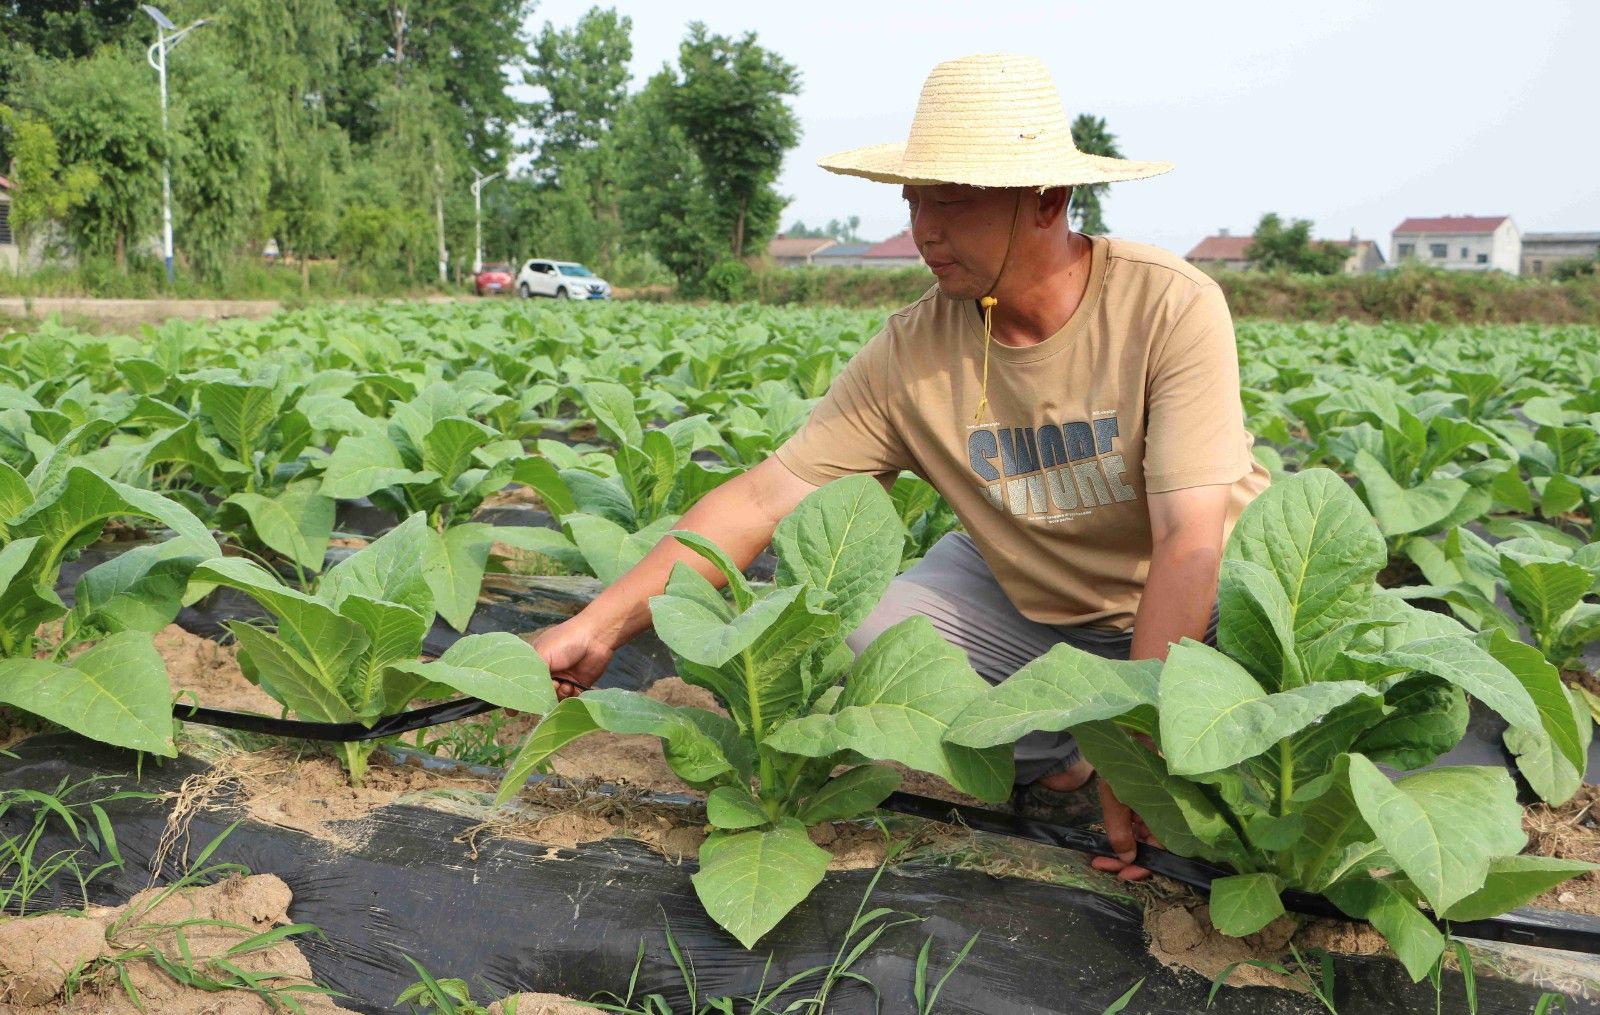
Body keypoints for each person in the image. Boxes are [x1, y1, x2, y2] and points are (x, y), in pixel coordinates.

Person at [527, 52, 1269, 881]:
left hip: (1195, 613)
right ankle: (1066, 747)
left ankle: (1099, 742)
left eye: (950, 201)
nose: (923, 230)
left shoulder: (1167, 305)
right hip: (1032, 612)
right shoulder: (913, 348)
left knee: (1253, 741)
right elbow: (767, 496)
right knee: (857, 635)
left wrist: (1147, 742)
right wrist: (596, 626)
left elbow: (1189, 543)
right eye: (913, 200)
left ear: (1048, 200)